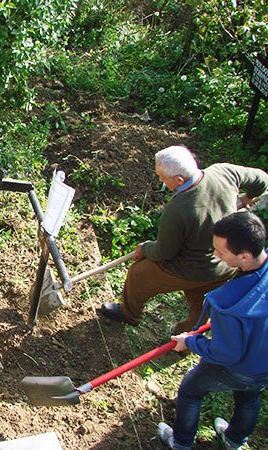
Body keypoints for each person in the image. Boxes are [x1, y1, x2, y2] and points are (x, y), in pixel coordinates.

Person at [100, 145, 268, 333]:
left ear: (179, 180)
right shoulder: (224, 172)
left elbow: (164, 252)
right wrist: (247, 198)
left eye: (162, 177)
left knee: (139, 274)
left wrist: (145, 248)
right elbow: (262, 179)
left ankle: (128, 315)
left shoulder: (178, 210)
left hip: (192, 268)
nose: (160, 180)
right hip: (227, 265)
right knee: (201, 302)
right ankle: (187, 339)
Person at [157, 211, 268, 450]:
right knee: (249, 397)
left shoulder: (228, 305)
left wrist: (191, 342)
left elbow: (224, 353)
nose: (215, 254)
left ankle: (181, 442)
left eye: (221, 252)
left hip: (239, 367)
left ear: (245, 256)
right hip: (263, 365)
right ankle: (235, 439)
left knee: (190, 390)